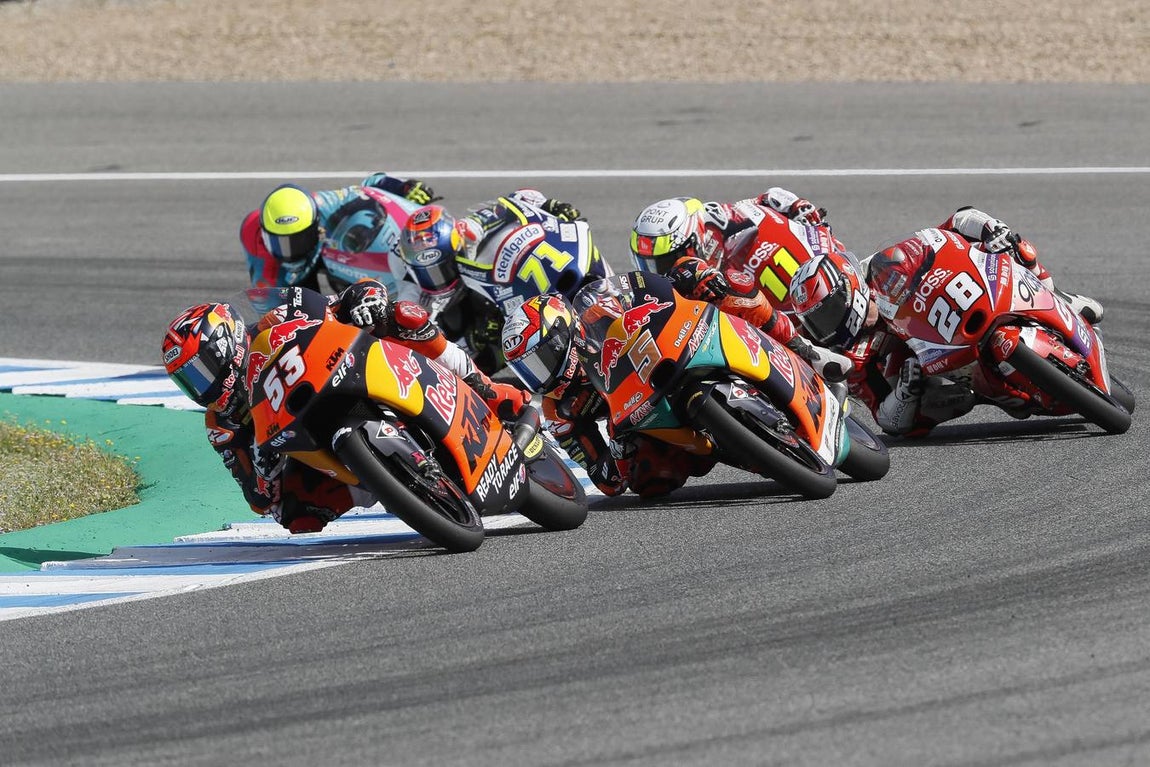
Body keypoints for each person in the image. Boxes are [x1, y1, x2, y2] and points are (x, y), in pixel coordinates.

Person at [161, 279, 530, 534]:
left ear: (226, 344)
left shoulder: (275, 323)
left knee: (401, 315)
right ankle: (387, 486)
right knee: (292, 514)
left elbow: (340, 302)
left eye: (201, 370)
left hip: (351, 369)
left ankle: (484, 386)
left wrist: (364, 300)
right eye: (188, 380)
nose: (201, 386)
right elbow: (258, 499)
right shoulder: (221, 424)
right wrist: (263, 465)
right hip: (311, 445)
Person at [789, 206, 1105, 437]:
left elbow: (950, 225)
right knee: (919, 417)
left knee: (1018, 250)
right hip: (936, 364)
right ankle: (994, 390)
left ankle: (1058, 297)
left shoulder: (884, 265)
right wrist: (904, 393)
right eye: (817, 322)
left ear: (849, 289)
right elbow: (886, 420)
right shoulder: (852, 356)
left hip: (954, 306)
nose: (826, 329)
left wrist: (991, 231)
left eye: (826, 314)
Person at [629, 194, 851, 383]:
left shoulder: (722, 221)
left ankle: (810, 352)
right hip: (767, 316)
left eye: (667, 262)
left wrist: (794, 206)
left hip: (810, 286)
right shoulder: (681, 275)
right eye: (648, 264)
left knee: (738, 291)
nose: (664, 272)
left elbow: (770, 197)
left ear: (696, 239)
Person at [394, 189, 590, 372]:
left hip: (489, 293)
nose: (436, 279)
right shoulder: (414, 298)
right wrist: (474, 340)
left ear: (454, 247)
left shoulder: (467, 230)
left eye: (440, 268)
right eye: (427, 272)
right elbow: (431, 354)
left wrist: (549, 207)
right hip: (468, 333)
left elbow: (519, 199)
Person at [241, 172, 439, 292]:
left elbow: (370, 185)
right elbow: (269, 303)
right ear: (266, 234)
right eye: (282, 242)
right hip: (287, 275)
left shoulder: (329, 204)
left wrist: (403, 187)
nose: (291, 251)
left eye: (298, 240)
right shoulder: (256, 239)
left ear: (315, 225)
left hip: (327, 252)